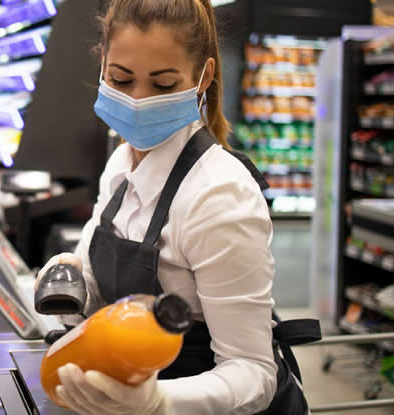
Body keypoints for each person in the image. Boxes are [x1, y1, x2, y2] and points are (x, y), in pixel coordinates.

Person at [35, 0, 319, 414]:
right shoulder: (120, 163)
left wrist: (159, 402)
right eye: (121, 79)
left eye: (163, 84)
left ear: (202, 76)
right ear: (102, 66)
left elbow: (253, 372)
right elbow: (101, 290)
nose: (137, 100)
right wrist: (75, 278)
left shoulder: (218, 196)